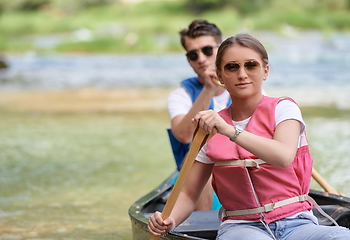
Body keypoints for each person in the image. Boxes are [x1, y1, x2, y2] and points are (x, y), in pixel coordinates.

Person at [149, 33, 350, 239]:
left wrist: (229, 130)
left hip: (297, 223)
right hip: (242, 227)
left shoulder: (284, 108)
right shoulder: (210, 127)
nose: (242, 74)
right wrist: (170, 220)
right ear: (220, 76)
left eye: (251, 65)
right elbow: (189, 193)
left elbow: (283, 156)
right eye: (232, 67)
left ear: (265, 71)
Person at [167, 19, 231, 211]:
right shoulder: (181, 95)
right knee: (203, 159)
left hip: (236, 170)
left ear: (220, 50)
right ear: (188, 59)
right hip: (196, 178)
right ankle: (202, 227)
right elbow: (184, 135)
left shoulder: (244, 87)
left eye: (207, 50)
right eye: (194, 54)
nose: (201, 59)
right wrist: (209, 88)